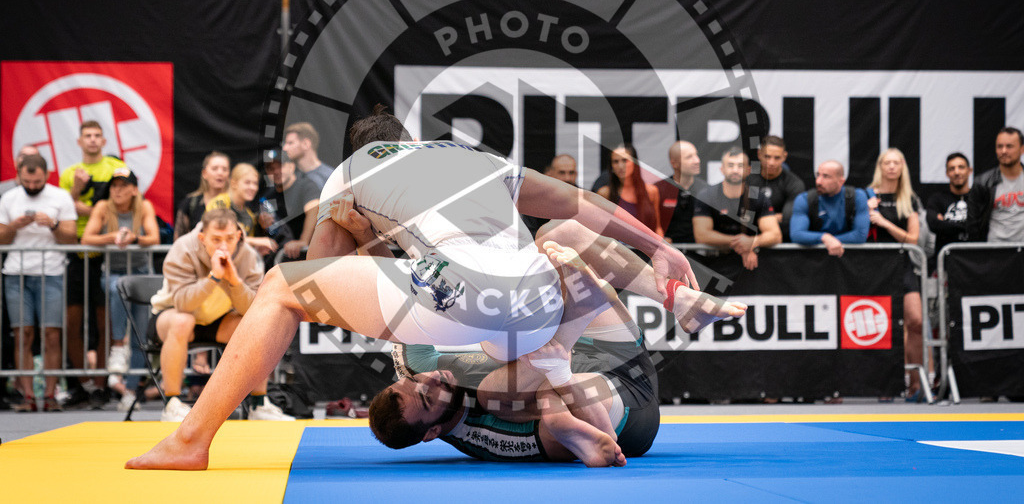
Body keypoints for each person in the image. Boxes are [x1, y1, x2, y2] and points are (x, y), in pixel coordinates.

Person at [126, 106, 744, 470]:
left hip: (465, 294)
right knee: (554, 251)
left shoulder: (349, 173)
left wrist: (362, 234)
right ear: (409, 138)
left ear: (363, 152)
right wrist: (661, 246)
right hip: (539, 300)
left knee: (280, 290)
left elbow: (315, 284)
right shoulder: (471, 155)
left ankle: (191, 438)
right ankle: (561, 369)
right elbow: (579, 203)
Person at [372, 267, 658, 466]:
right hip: (625, 417)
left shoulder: (416, 365)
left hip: (618, 360)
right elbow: (555, 441)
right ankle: (576, 323)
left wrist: (364, 234)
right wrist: (556, 414)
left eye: (415, 380)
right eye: (426, 396)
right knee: (505, 395)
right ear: (432, 432)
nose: (432, 377)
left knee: (558, 237)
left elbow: (398, 294)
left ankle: (675, 295)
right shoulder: (482, 437)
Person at [146, 208, 290, 422]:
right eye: (216, 239)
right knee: (182, 321)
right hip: (173, 316)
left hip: (218, 320)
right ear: (202, 238)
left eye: (229, 239)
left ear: (239, 236)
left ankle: (259, 404)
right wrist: (213, 278)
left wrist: (234, 282)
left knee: (259, 323)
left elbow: (252, 307)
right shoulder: (183, 248)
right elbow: (182, 303)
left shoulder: (248, 256)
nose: (223, 246)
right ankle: (172, 404)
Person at [0, 154, 77, 412]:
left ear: (46, 175)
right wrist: (14, 226)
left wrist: (53, 224)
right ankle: (29, 396)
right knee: (23, 334)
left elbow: (72, 239)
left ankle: (51, 395)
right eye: (27, 181)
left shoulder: (61, 197)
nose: (32, 186)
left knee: (51, 335)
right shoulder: (9, 198)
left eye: (37, 181)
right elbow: (1, 238)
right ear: (19, 175)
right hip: (16, 273)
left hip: (52, 272)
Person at [80, 167, 159, 410]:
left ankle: (131, 391)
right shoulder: (103, 207)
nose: (118, 189)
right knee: (116, 288)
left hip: (140, 274)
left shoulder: (144, 207)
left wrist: (134, 239)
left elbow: (154, 237)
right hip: (113, 274)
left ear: (134, 189)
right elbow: (86, 238)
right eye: (115, 185)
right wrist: (113, 237)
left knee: (139, 336)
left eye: (124, 185)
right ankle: (116, 345)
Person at [59, 121, 125, 408]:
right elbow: (61, 207)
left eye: (97, 135)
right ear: (79, 141)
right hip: (75, 253)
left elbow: (124, 202)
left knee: (104, 323)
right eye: (88, 136)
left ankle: (101, 385)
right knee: (72, 322)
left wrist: (88, 209)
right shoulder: (69, 174)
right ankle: (83, 384)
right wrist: (75, 190)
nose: (93, 140)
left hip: (105, 255)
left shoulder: (114, 167)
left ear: (104, 139)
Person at [865, 148, 923, 399]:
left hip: (903, 265)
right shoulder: (868, 195)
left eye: (896, 162)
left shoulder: (909, 198)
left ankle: (917, 383)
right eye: (886, 162)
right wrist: (865, 213)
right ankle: (886, 384)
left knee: (915, 322)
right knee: (883, 326)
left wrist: (885, 222)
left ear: (902, 167)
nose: (891, 167)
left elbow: (913, 239)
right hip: (876, 267)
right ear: (880, 166)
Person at [693, 147, 781, 271]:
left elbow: (775, 235)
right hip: (715, 263)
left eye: (740, 166)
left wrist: (752, 242)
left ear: (748, 170)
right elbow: (702, 235)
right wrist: (742, 243)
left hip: (752, 264)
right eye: (730, 165)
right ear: (722, 169)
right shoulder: (707, 195)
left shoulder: (759, 197)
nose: (735, 170)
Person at [789, 160, 870, 256]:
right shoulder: (804, 199)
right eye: (818, 175)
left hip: (848, 259)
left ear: (841, 181)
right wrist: (824, 238)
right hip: (813, 259)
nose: (818, 181)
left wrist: (831, 241)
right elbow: (797, 234)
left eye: (826, 176)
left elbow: (860, 235)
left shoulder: (857, 196)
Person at [205, 163, 277, 259]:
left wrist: (256, 250)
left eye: (255, 183)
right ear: (234, 183)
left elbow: (242, 248)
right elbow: (217, 238)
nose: (253, 188)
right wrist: (256, 241)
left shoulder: (250, 216)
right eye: (247, 182)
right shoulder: (219, 203)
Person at [967, 127, 1024, 243]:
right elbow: (973, 224)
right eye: (999, 146)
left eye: (1009, 146)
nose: (1003, 151)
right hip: (994, 252)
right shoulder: (982, 182)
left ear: (1022, 149)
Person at [747, 136, 805, 241]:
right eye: (767, 157)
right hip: (747, 239)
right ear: (759, 154)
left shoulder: (794, 184)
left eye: (777, 158)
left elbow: (788, 219)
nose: (771, 163)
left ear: (784, 156)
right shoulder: (746, 180)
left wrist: (756, 218)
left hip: (780, 241)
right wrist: (772, 218)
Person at [596, 145, 661, 236]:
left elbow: (657, 227)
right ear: (611, 166)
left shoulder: (651, 191)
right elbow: (598, 227)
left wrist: (661, 246)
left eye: (625, 160)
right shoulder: (605, 193)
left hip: (644, 247)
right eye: (615, 162)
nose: (620, 166)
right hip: (615, 247)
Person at [264, 158, 319, 261]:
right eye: (271, 169)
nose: (276, 171)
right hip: (279, 253)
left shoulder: (306, 185)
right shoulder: (268, 195)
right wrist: (263, 224)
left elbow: (314, 210)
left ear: (291, 166)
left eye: (281, 166)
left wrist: (303, 241)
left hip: (308, 252)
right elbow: (268, 226)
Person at [655, 140, 708, 245]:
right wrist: (660, 238)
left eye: (696, 155)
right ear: (674, 163)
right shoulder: (657, 189)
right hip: (667, 252)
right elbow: (647, 224)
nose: (697, 160)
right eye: (689, 157)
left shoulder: (706, 190)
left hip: (701, 254)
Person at [926, 152, 971, 271]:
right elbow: (933, 224)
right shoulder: (937, 199)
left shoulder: (977, 198)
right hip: (945, 265)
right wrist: (966, 225)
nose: (957, 172)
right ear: (947, 173)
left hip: (974, 263)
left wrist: (946, 222)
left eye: (961, 167)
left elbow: (981, 226)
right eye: (952, 168)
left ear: (969, 170)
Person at [174, 151, 231, 240]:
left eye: (224, 169)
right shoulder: (190, 203)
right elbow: (179, 240)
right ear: (204, 173)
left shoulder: (235, 202)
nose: (220, 173)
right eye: (215, 168)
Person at [281, 122, 334, 191]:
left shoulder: (331, 178)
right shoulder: (288, 177)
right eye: (286, 143)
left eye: (290, 143)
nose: (284, 148)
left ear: (306, 144)